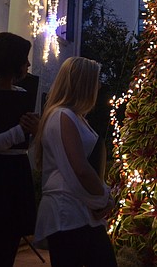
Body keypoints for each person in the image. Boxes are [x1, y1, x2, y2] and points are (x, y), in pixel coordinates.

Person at [34, 57, 116, 267]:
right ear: (84, 83)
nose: (99, 86)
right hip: (68, 210)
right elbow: (79, 168)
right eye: (96, 80)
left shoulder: (70, 116)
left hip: (76, 208)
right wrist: (103, 197)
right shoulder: (64, 116)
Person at [0, 32, 39, 267]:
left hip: (18, 170)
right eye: (24, 58)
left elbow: (26, 142)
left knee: (12, 239)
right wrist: (18, 132)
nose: (28, 64)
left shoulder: (22, 94)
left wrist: (34, 131)